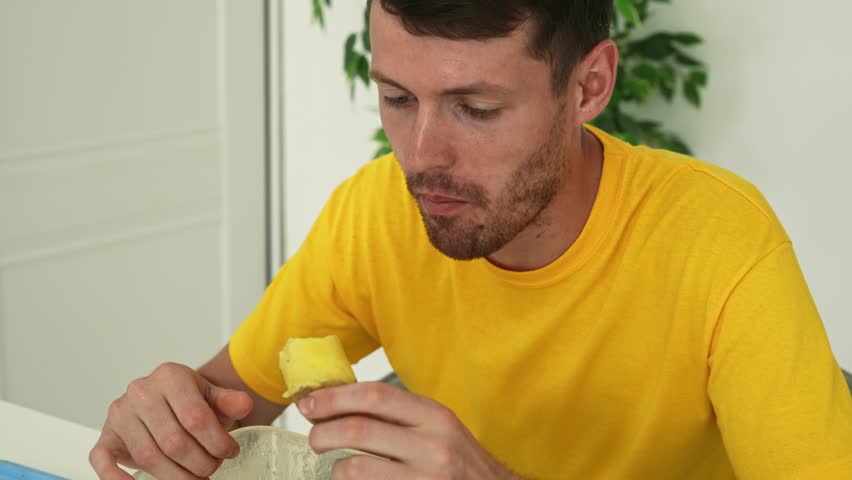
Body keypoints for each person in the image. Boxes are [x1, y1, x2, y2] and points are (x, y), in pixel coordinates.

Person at [89, 1, 852, 479]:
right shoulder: (375, 213)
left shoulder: (720, 241)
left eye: (476, 109)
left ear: (588, 86)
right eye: (396, 97)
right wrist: (168, 418)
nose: (421, 157)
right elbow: (229, 404)